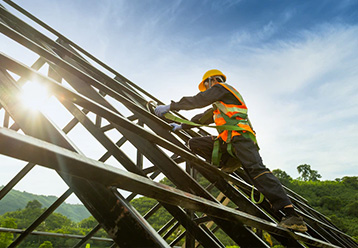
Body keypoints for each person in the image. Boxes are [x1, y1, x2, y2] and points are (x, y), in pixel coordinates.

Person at [154, 69, 308, 232]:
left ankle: (292, 215)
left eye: (206, 86)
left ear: (212, 81)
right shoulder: (220, 104)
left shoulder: (223, 88)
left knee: (257, 171)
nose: (206, 90)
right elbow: (201, 119)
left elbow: (199, 100)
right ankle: (228, 161)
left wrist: (172, 106)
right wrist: (181, 126)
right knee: (195, 143)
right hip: (229, 142)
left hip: (242, 139)